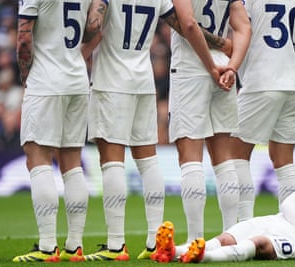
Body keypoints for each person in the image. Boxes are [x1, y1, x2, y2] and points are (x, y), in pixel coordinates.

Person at [80, 0, 235, 261]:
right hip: (143, 80)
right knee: (148, 161)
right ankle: (154, 241)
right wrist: (222, 44)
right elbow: (185, 27)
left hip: (111, 81)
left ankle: (116, 244)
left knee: (111, 161)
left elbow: (93, 29)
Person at [152, 139, 295, 263]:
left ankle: (199, 257)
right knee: (226, 238)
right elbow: (289, 205)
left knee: (256, 244)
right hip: (280, 220)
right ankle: (172, 252)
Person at [12, 0, 106, 262]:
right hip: (77, 80)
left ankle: (47, 247)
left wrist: (25, 74)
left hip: (45, 81)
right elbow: (96, 29)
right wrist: (76, 58)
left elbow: (23, 38)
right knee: (72, 163)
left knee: (37, 158)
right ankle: (75, 245)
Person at [168, 0, 251, 247]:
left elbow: (189, 24)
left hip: (192, 66)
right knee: (224, 159)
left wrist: (210, 66)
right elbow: (244, 27)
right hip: (224, 66)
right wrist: (232, 68)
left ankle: (195, 238)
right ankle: (230, 234)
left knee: (190, 157)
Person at [231, 0, 295, 221]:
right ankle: (292, 225)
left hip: (262, 80)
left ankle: (243, 224)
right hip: (292, 82)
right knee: (284, 162)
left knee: (235, 153)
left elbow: (242, 33)